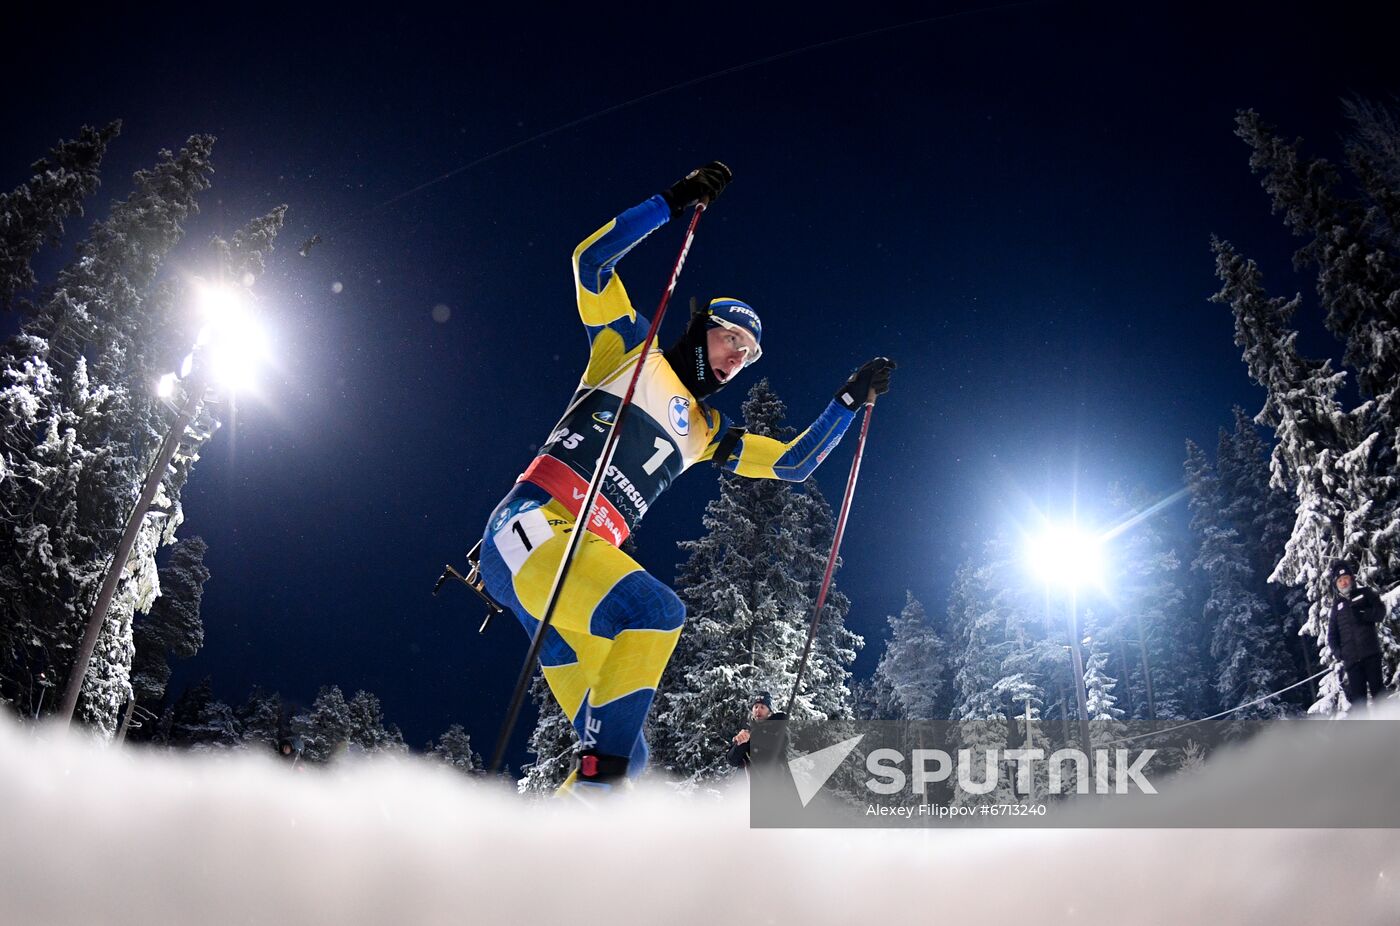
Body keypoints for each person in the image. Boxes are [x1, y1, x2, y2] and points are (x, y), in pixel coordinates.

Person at [476, 162, 894, 794]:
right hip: (530, 529)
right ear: (702, 330)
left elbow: (794, 462)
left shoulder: (706, 432)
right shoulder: (628, 348)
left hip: (574, 566)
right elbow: (590, 263)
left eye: (748, 357)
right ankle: (591, 803)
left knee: (621, 755)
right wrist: (671, 203)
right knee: (653, 611)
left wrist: (845, 403)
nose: (736, 361)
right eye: (731, 342)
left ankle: (550, 852)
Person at [1325, 559, 1388, 711]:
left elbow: (1380, 612)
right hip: (1352, 663)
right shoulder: (1336, 608)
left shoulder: (1364, 593)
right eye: (1340, 580)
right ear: (1336, 585)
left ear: (1351, 578)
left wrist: (1365, 614)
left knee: (1379, 695)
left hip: (1371, 654)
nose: (1343, 582)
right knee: (1359, 704)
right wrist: (1340, 654)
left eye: (1345, 578)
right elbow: (1332, 636)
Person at [727, 691, 790, 771]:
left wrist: (752, 736)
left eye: (762, 707)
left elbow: (780, 743)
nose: (758, 710)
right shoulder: (748, 729)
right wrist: (739, 744)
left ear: (770, 712)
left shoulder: (779, 725)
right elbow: (732, 761)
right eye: (756, 707)